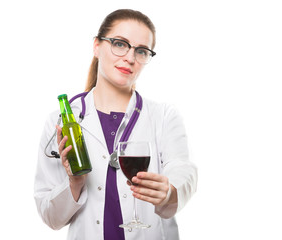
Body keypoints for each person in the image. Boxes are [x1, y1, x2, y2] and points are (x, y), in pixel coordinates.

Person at [34, 9, 197, 240]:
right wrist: (75, 182)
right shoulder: (61, 121)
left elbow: (183, 168)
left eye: (141, 51)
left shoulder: (163, 116)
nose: (130, 58)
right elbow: (51, 217)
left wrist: (169, 192)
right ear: (97, 46)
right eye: (120, 44)